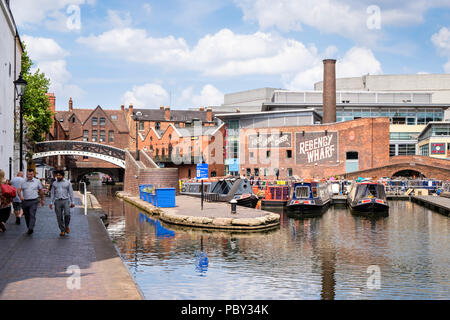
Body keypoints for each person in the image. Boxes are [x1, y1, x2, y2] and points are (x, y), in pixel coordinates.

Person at [17, 169, 45, 235]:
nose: (29, 176)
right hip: (25, 201)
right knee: (27, 215)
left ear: (33, 174)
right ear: (26, 174)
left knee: (32, 214)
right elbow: (18, 190)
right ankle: (29, 227)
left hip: (34, 201)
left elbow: (41, 191)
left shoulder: (37, 181)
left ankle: (30, 228)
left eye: (31, 174)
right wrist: (20, 196)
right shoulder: (22, 181)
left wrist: (42, 200)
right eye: (28, 174)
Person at [49, 170, 75, 237]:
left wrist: (72, 202)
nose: (58, 176)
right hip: (57, 201)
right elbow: (52, 193)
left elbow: (71, 192)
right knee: (59, 217)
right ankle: (62, 230)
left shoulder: (67, 183)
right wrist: (51, 202)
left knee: (67, 214)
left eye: (59, 175)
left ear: (62, 176)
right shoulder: (54, 183)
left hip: (66, 200)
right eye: (57, 175)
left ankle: (66, 226)